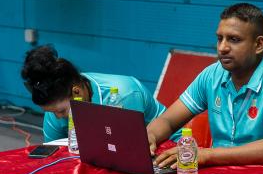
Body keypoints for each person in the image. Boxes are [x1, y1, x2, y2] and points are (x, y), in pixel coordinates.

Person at [147, 2, 263, 169]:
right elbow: (168, 121)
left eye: (234, 39)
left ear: (258, 45)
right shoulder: (212, 74)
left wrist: (207, 154)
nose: (222, 48)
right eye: (219, 38)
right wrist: (149, 136)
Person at [20, 45, 166, 142]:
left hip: (166, 148)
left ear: (76, 91)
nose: (58, 117)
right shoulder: (54, 111)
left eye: (61, 111)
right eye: (52, 112)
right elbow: (54, 156)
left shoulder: (124, 94)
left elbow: (130, 149)